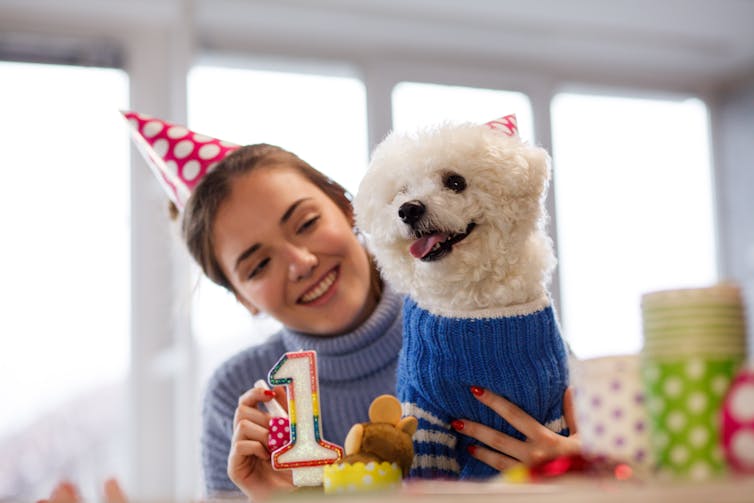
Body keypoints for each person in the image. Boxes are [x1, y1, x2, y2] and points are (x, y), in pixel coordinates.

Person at [43, 112, 580, 502]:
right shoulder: (243, 396)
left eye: (305, 223)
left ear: (348, 208)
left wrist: (578, 468)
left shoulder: (489, 312)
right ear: (241, 298)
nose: (299, 261)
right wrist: (267, 499)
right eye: (256, 266)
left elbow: (608, 445)